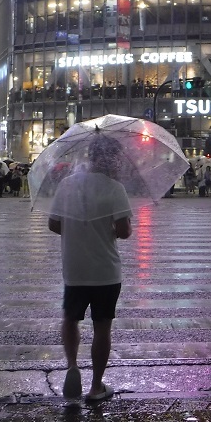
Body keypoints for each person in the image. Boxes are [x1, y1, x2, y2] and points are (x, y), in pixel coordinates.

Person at [48, 133, 132, 402]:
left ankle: (72, 365)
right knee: (102, 327)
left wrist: (76, 228)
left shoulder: (68, 185)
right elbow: (124, 231)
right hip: (105, 271)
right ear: (111, 159)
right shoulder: (114, 188)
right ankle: (96, 386)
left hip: (75, 268)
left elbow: (53, 224)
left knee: (70, 318)